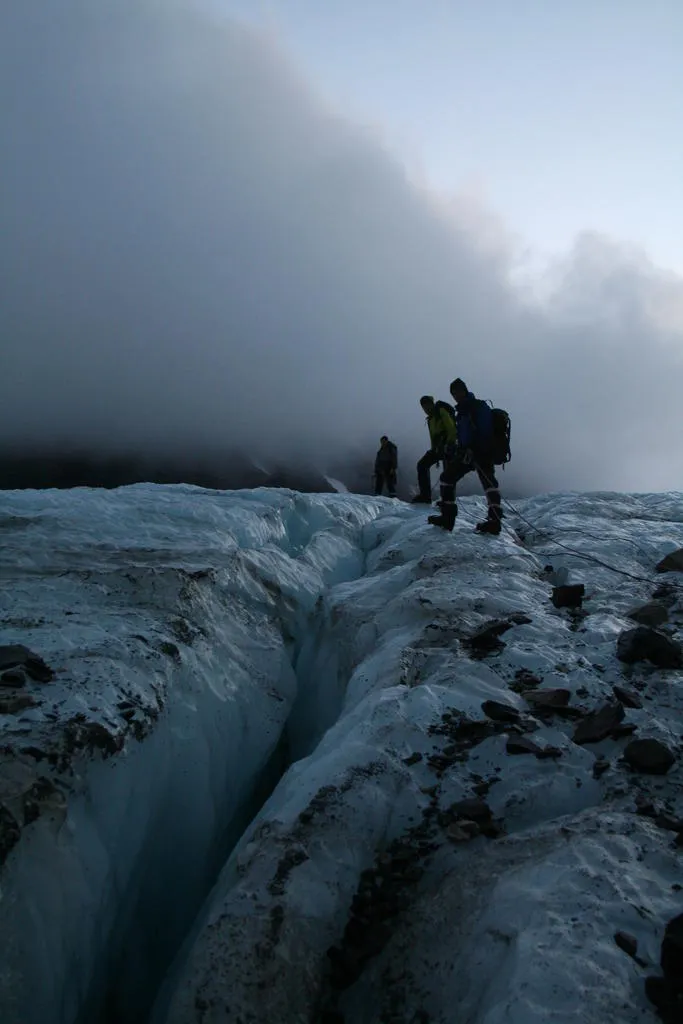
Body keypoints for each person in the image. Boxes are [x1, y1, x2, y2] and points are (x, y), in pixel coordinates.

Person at [428, 378, 503, 534]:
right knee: (450, 478)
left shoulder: (477, 407)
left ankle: (492, 522)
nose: (455, 396)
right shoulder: (463, 410)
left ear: (464, 390)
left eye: (457, 392)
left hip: (480, 452)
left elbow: (485, 431)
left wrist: (474, 449)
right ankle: (449, 517)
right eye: (453, 394)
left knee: (487, 483)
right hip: (468, 453)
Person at [411, 395, 457, 503]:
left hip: (448, 446)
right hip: (438, 448)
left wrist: (450, 444)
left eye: (427, 406)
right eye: (424, 407)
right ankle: (425, 496)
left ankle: (447, 500)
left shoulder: (441, 411)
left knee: (448, 473)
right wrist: (433, 449)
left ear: (432, 404)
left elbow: (451, 428)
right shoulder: (431, 419)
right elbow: (433, 437)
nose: (426, 409)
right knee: (422, 465)